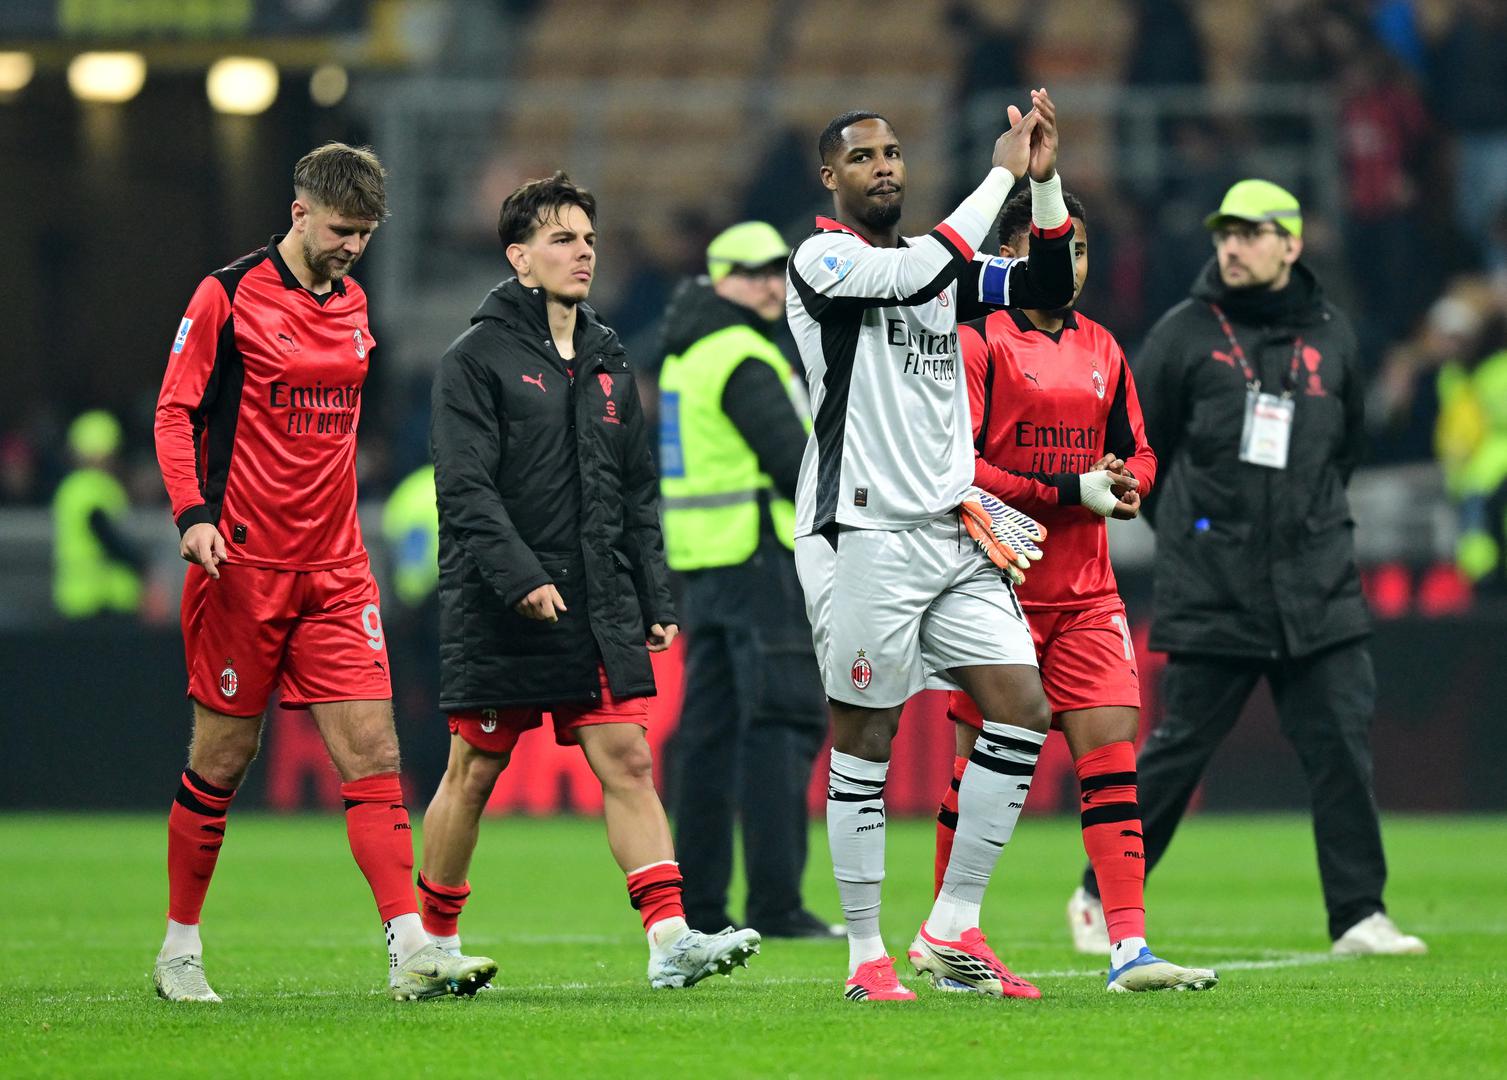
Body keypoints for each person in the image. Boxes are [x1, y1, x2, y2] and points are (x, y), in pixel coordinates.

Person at [151, 143, 497, 1003]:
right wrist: (193, 517)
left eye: (367, 235)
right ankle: (179, 950)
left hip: (337, 569)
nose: (352, 247)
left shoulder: (354, 302)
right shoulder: (226, 295)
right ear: (300, 212)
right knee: (224, 759)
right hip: (242, 564)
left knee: (375, 754)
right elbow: (175, 410)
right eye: (342, 229)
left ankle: (410, 948)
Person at [418, 172, 762, 990]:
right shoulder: (473, 359)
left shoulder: (609, 360)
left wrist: (650, 594)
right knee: (474, 769)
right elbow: (464, 489)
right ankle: (429, 945)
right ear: (520, 258)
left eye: (589, 238)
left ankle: (670, 940)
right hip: (502, 604)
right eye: (563, 238)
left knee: (629, 762)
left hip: (595, 600)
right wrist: (520, 578)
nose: (583, 252)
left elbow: (635, 489)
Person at [1071, 179, 1426, 956]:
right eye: (1223, 233)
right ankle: (1099, 893)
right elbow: (1138, 450)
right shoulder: (1182, 334)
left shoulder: (1333, 333)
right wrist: (1192, 537)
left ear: (1291, 244)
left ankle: (1359, 915)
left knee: (1340, 749)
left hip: (1318, 583)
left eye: (1249, 233)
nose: (1231, 246)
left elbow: (1346, 450)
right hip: (1216, 586)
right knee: (1177, 751)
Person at [787, 93, 1075, 1002]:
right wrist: (997, 173)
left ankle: (950, 928)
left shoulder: (941, 265)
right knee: (866, 738)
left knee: (1022, 709)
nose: (884, 167)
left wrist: (1044, 181)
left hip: (953, 527)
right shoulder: (822, 260)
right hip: (863, 531)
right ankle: (864, 953)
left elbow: (1047, 288)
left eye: (894, 152)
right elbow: (916, 275)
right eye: (863, 156)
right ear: (829, 177)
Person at [930, 188, 1216, 991]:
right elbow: (961, 470)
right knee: (974, 772)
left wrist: (1128, 484)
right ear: (1005, 260)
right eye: (1051, 248)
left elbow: (1140, 450)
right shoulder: (979, 341)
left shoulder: (1103, 346)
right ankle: (950, 936)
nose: (1069, 264)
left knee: (1112, 760)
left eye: (1081, 250)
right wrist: (1068, 488)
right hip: (996, 586)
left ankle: (1128, 947)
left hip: (1088, 592)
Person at [658, 221, 837, 939]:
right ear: (719, 277)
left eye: (777, 271)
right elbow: (798, 466)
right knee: (780, 725)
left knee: (707, 738)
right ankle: (775, 903)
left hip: (703, 566)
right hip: (760, 565)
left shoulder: (685, 356)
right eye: (754, 271)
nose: (769, 283)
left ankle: (699, 904)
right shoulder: (741, 355)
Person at [52, 409, 146, 619]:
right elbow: (108, 537)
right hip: (102, 601)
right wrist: (143, 565)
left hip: (79, 599)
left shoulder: (71, 488)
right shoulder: (94, 488)